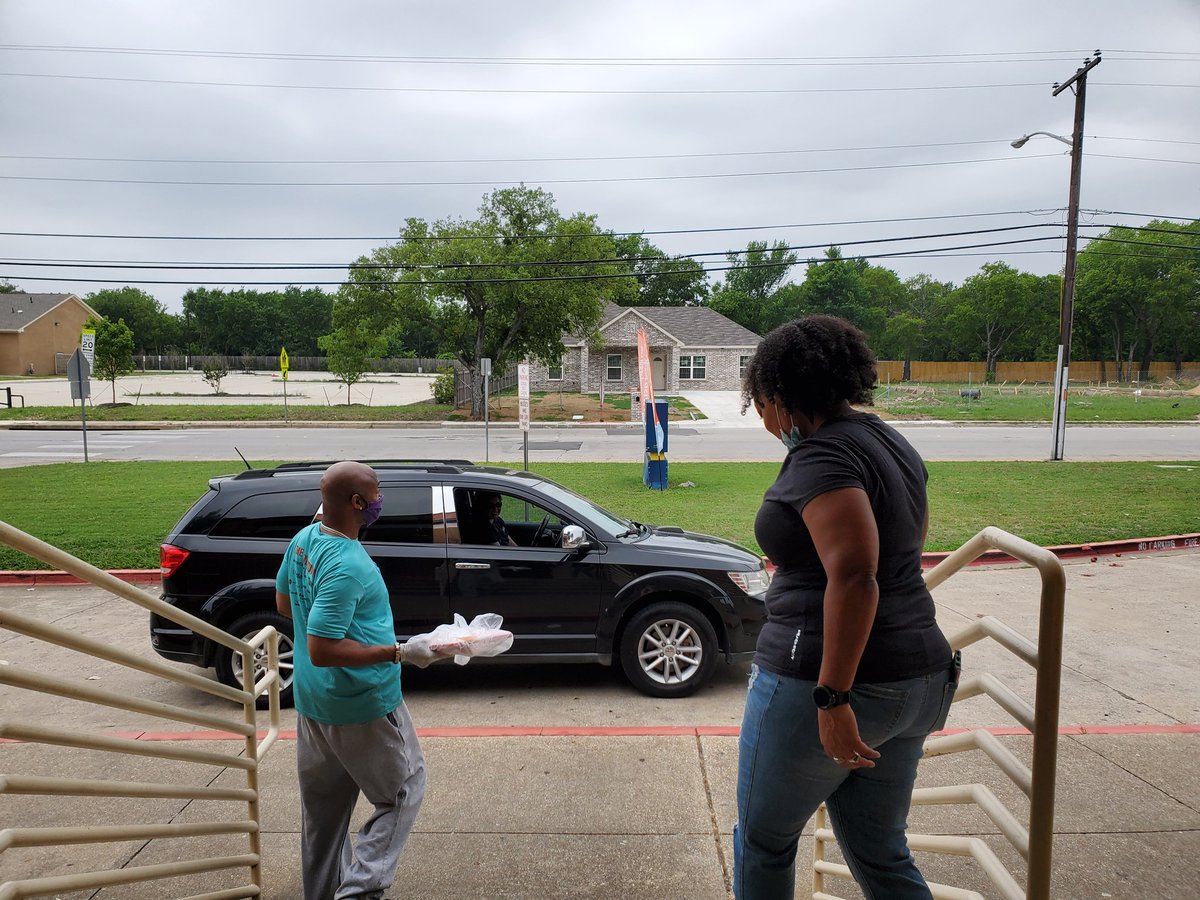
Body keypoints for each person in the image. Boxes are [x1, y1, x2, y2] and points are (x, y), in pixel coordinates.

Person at [733, 315, 958, 900]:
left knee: (764, 841)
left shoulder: (821, 458)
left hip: (831, 681)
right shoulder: (886, 439)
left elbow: (858, 576)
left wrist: (832, 698)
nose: (763, 420)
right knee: (880, 851)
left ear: (779, 399)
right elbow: (904, 552)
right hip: (918, 674)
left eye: (760, 404)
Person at [275, 460, 454, 900]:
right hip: (362, 704)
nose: (379, 501)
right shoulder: (350, 565)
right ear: (358, 502)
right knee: (403, 793)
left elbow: (284, 603)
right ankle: (358, 891)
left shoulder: (304, 540)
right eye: (375, 493)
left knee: (323, 816)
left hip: (314, 703)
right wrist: (400, 652)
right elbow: (322, 647)